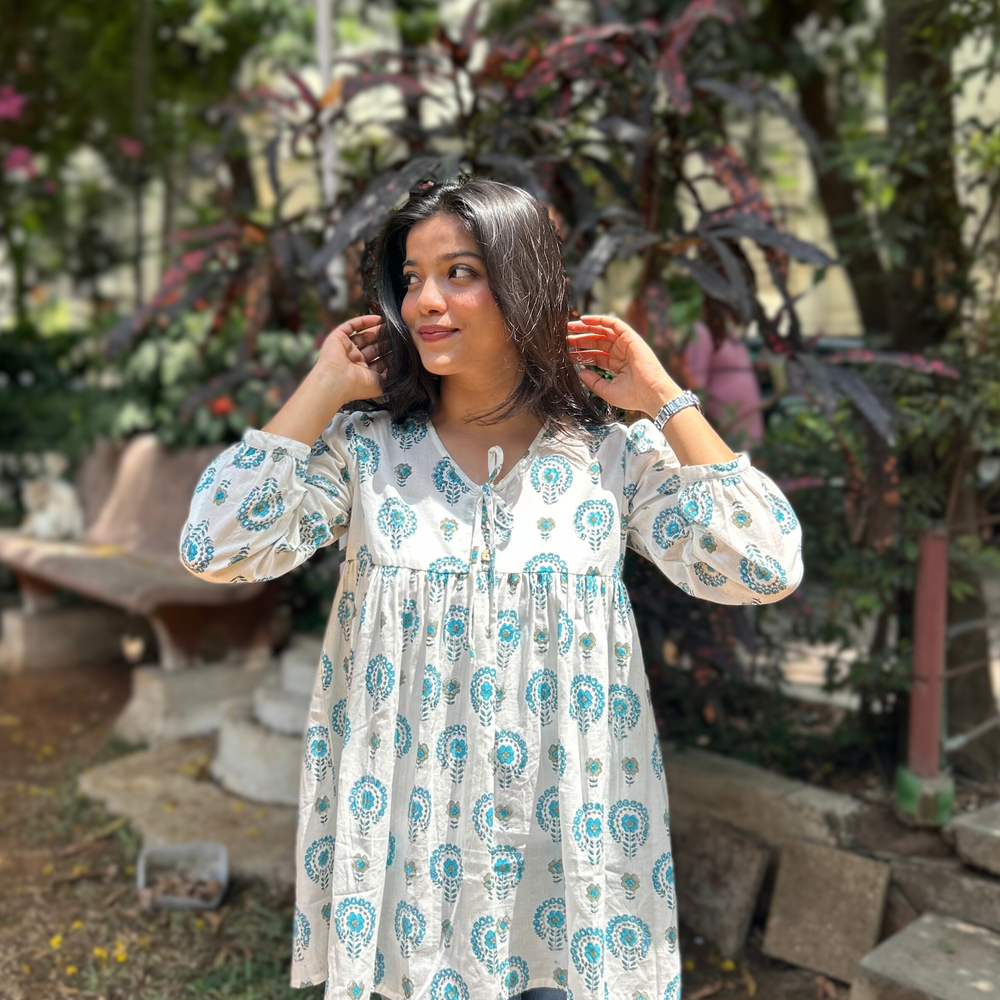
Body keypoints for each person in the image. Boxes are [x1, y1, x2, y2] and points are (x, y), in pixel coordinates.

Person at [180, 176, 803, 1000]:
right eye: (410, 277)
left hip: (567, 862)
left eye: (460, 272)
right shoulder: (366, 455)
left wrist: (663, 397)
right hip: (407, 860)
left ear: (525, 285)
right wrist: (322, 387)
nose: (425, 300)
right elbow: (214, 548)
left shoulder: (611, 458)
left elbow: (764, 563)